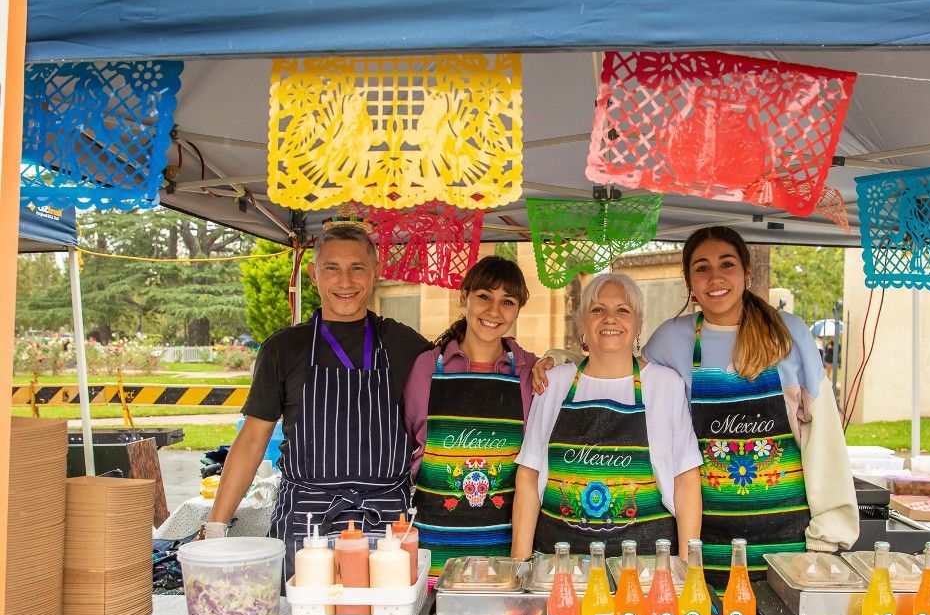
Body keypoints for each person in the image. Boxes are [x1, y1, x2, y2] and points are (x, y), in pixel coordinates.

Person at [206, 223, 427, 580]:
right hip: (305, 525)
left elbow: (460, 370)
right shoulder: (282, 349)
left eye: (357, 268)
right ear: (313, 274)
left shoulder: (406, 345)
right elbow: (251, 440)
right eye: (332, 268)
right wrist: (216, 525)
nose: (345, 281)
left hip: (388, 526)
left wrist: (541, 365)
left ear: (376, 272)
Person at [643, 226, 858, 590]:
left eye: (726, 265)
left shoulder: (786, 333)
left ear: (747, 272)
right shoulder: (670, 340)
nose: (715, 278)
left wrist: (826, 539)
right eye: (702, 268)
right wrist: (555, 364)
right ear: (689, 281)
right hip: (701, 546)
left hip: (787, 550)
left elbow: (823, 440)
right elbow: (620, 381)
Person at [511, 273, 702, 559]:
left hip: (646, 566)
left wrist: (689, 568)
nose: (610, 318)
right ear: (582, 324)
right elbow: (528, 478)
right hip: (559, 565)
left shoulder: (666, 385)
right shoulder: (553, 384)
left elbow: (686, 481)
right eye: (597, 309)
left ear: (638, 324)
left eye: (622, 310)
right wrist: (520, 563)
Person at [403, 256, 539, 576]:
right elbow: (408, 440)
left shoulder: (528, 370)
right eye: (484, 297)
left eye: (507, 301)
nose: (494, 311)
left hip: (505, 548)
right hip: (432, 545)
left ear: (518, 310)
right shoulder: (427, 367)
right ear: (464, 297)